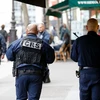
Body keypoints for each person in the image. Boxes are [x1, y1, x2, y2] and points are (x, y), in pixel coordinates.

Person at [6, 23, 55, 100]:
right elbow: (50, 59)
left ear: (26, 31)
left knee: (21, 98)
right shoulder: (43, 44)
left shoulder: (17, 43)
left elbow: (9, 56)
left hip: (21, 74)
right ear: (37, 32)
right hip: (37, 74)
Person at [71, 18, 100, 100]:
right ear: (97, 27)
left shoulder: (79, 41)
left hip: (84, 73)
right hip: (98, 73)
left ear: (86, 27)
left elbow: (74, 57)